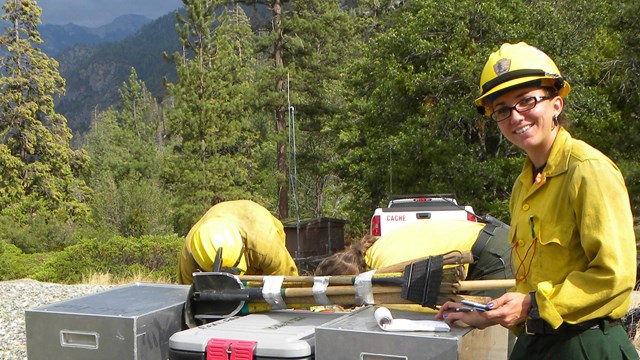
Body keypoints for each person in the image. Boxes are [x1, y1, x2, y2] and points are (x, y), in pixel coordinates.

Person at [435, 42, 638, 359]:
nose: (516, 117)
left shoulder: (588, 171)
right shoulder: (523, 186)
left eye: (527, 101)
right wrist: (488, 312)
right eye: (502, 109)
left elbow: (614, 277)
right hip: (535, 346)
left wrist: (532, 304)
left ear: (556, 104)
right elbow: (533, 279)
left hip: (585, 345)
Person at [315, 219, 513, 298]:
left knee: (488, 335)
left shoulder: (385, 266)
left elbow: (411, 309)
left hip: (493, 256)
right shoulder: (378, 247)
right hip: (493, 241)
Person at [177, 199, 298, 284]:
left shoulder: (266, 243)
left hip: (256, 227)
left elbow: (288, 284)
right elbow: (189, 301)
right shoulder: (188, 258)